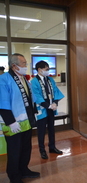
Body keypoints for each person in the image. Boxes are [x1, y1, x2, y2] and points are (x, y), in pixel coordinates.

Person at [0, 53, 40, 183]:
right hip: (13, 123)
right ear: (14, 66)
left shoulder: (24, 79)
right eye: (23, 64)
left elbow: (29, 98)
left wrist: (34, 112)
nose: (26, 66)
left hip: (26, 121)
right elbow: (3, 103)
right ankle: (14, 176)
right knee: (14, 150)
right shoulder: (4, 80)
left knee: (25, 148)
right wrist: (11, 122)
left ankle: (24, 170)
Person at [31, 60, 64, 159]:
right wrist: (47, 105)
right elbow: (36, 96)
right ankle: (42, 150)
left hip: (51, 108)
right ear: (39, 70)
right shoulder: (34, 81)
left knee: (51, 128)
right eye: (46, 69)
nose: (48, 71)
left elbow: (56, 91)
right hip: (41, 109)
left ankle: (52, 147)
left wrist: (55, 103)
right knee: (41, 130)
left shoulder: (50, 80)